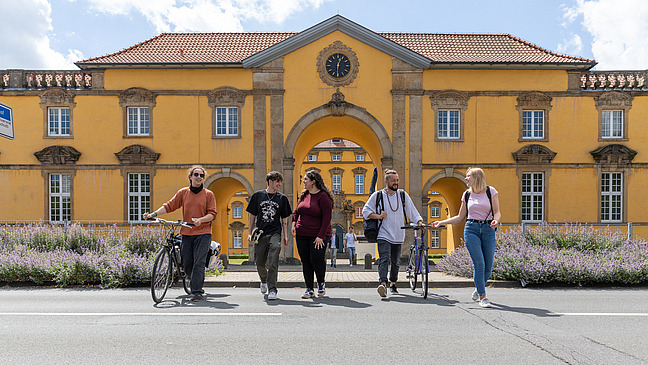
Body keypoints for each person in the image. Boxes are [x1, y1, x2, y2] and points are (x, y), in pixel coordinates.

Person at [143, 165, 217, 302]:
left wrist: (201, 220)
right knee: (187, 262)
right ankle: (191, 279)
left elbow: (212, 214)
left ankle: (196, 292)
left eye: (201, 175)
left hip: (203, 233)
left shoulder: (208, 194)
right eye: (196, 175)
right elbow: (169, 206)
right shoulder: (183, 193)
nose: (199, 177)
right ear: (190, 177)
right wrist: (152, 214)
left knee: (198, 263)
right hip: (186, 232)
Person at [431, 167, 501, 308]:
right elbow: (460, 216)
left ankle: (477, 288)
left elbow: (497, 212)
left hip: (488, 229)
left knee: (488, 267)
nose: (466, 178)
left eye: (468, 176)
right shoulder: (467, 194)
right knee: (479, 264)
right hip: (471, 229)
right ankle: (483, 297)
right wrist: (441, 222)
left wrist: (496, 221)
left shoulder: (490, 191)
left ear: (477, 177)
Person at [363, 169, 423, 297]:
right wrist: (379, 216)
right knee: (384, 258)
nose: (396, 183)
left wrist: (419, 222)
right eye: (393, 181)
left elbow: (412, 210)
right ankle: (383, 284)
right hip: (383, 233)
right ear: (386, 181)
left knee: (395, 261)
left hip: (398, 234)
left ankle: (393, 283)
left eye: (397, 180)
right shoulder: (378, 195)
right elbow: (365, 212)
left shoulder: (402, 195)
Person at [246, 171, 292, 301]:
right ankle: (264, 280)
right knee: (259, 263)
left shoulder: (282, 198)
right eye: (277, 181)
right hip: (260, 234)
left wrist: (286, 235)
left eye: (280, 182)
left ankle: (272, 289)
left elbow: (285, 217)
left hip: (275, 233)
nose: (279, 184)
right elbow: (251, 215)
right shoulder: (258, 196)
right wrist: (249, 232)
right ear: (270, 181)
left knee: (273, 260)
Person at [291, 170, 333, 299]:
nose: (303, 181)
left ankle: (321, 283)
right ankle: (309, 288)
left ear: (313, 181)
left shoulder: (323, 197)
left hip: (318, 236)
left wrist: (321, 236)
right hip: (301, 234)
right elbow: (296, 212)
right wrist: (293, 223)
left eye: (305, 179)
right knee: (306, 261)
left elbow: (327, 218)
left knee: (317, 260)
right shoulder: (304, 195)